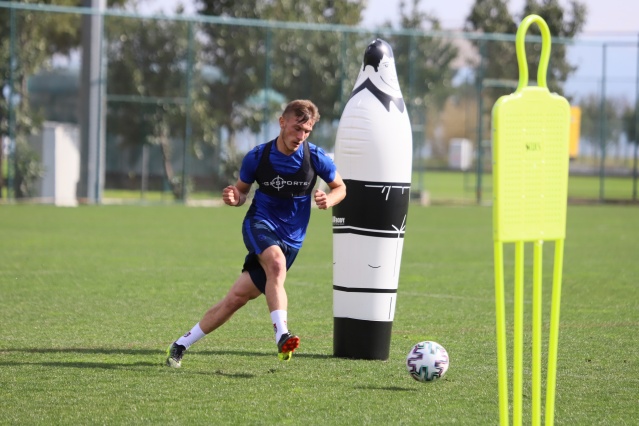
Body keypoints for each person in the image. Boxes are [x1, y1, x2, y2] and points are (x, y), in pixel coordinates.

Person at [166, 99, 346, 367]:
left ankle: (180, 344)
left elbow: (341, 187)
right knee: (276, 264)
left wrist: (329, 199)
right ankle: (282, 335)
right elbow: (241, 192)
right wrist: (234, 197)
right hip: (260, 223)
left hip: (292, 238)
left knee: (235, 299)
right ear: (282, 122)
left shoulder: (315, 157)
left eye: (307, 131)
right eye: (297, 128)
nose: (301, 136)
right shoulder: (258, 156)